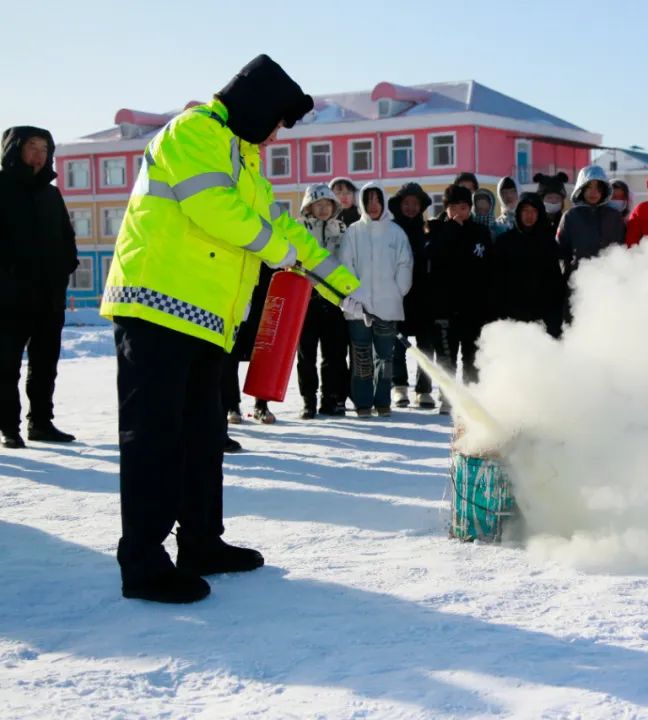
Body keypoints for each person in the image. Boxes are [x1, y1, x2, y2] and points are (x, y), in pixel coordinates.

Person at [100, 54, 364, 604]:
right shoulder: (193, 132)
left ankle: (202, 542)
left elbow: (283, 224)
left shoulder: (243, 161)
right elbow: (213, 210)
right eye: (272, 124)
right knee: (154, 441)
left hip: (204, 320)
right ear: (253, 107)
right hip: (155, 308)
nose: (272, 137)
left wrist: (339, 282)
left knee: (202, 440)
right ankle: (144, 563)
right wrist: (282, 250)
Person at [0, 127, 78, 449]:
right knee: (6, 366)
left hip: (48, 297)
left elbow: (66, 239)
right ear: (15, 149)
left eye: (45, 149)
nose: (39, 155)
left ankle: (41, 423)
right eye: (32, 147)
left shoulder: (51, 194)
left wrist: (64, 269)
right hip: (8, 299)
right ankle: (9, 428)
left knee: (46, 364)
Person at [338, 182, 413, 417]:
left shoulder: (396, 232)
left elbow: (405, 264)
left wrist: (396, 291)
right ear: (362, 203)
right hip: (358, 308)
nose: (373, 205)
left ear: (383, 202)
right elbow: (345, 266)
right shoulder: (353, 232)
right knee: (361, 357)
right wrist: (355, 296)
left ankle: (382, 401)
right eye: (368, 200)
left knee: (385, 357)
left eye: (377, 200)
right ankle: (363, 403)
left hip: (387, 307)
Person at [426, 184, 492, 408]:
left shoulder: (480, 232)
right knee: (446, 356)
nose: (458, 213)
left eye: (463, 207)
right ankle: (447, 397)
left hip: (473, 306)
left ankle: (471, 397)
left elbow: (487, 268)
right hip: (444, 305)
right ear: (446, 208)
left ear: (470, 208)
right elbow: (433, 257)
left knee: (472, 356)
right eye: (453, 208)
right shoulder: (435, 229)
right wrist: (451, 229)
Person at [297, 184, 350, 418]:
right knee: (306, 353)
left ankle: (331, 398)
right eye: (318, 205)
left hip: (334, 300)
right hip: (305, 299)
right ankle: (308, 400)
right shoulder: (299, 229)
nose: (323, 209)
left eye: (328, 204)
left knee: (335, 354)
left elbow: (348, 260)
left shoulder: (341, 228)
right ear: (308, 207)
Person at [388, 183, 437, 409]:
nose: (410, 207)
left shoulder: (428, 229)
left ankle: (424, 390)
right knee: (397, 343)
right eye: (406, 203)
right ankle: (399, 387)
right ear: (399, 205)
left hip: (425, 296)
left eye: (415, 204)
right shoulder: (390, 230)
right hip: (398, 296)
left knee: (426, 344)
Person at [491, 193, 564, 337]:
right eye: (525, 210)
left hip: (543, 317)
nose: (529, 215)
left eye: (534, 211)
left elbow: (555, 283)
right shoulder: (504, 242)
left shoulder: (549, 243)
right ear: (518, 212)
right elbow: (496, 282)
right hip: (512, 317)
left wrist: (554, 319)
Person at [222, 264, 277, 434]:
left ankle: (261, 404)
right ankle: (231, 405)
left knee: (262, 355)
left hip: (263, 301)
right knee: (229, 357)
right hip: (234, 301)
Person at [557, 165, 625, 293]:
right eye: (589, 187)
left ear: (604, 190)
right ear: (581, 189)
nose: (593, 192)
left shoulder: (614, 216)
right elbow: (561, 251)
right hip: (577, 283)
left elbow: (621, 248)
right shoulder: (570, 216)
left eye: (598, 188)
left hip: (609, 282)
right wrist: (569, 274)